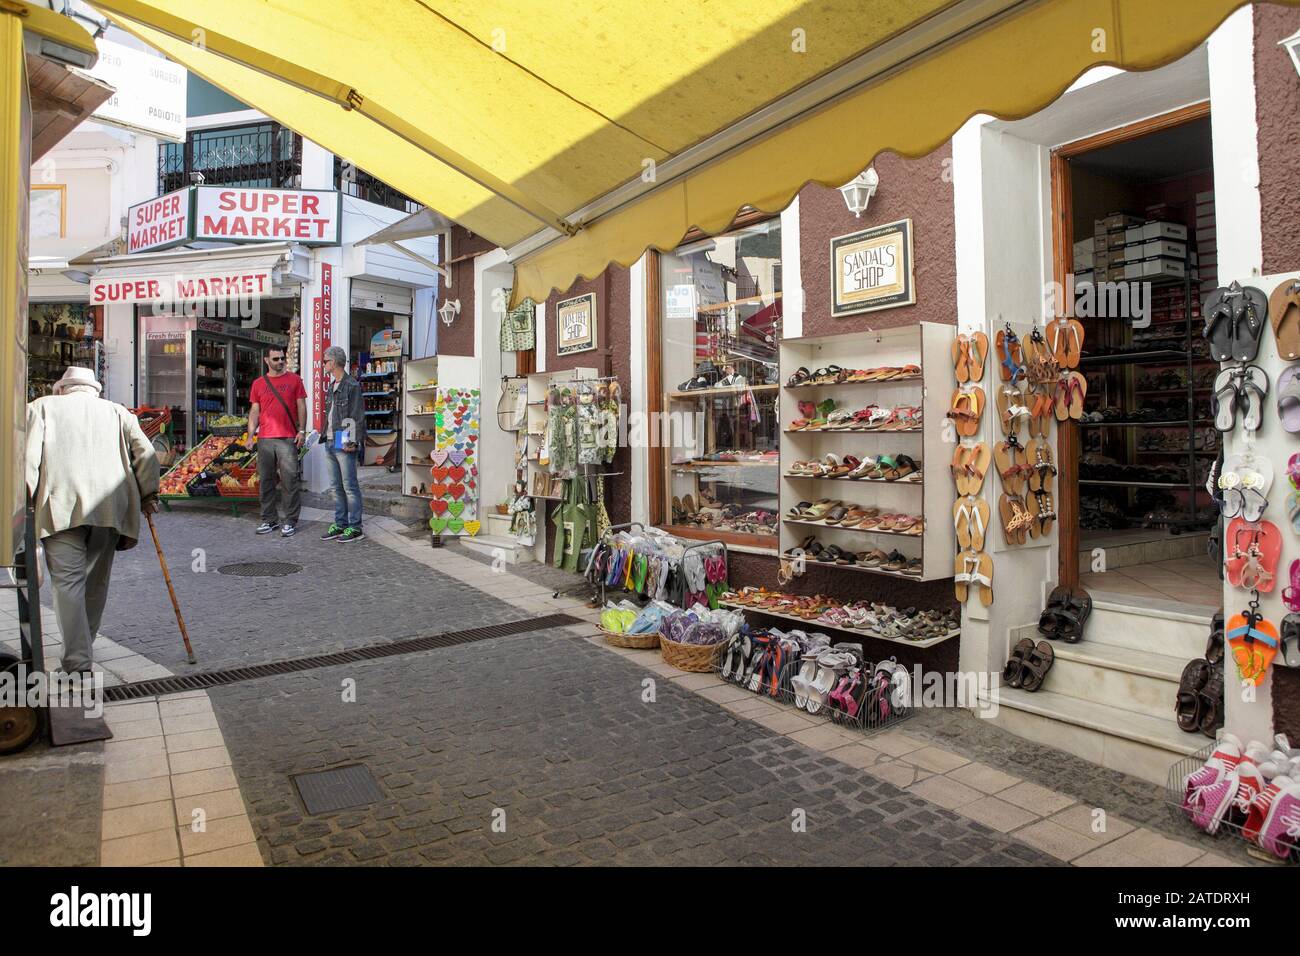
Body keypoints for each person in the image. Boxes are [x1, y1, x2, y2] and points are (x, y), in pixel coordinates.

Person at [24, 367, 159, 674]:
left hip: (60, 507)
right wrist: (150, 494)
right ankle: (84, 648)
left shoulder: (42, 407)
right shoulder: (117, 412)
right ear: (95, 390)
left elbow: (28, 462)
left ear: (63, 388)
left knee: (67, 585)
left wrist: (23, 505)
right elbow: (147, 455)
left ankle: (78, 662)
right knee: (95, 585)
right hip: (110, 510)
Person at [247, 345, 306, 537]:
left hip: (287, 437)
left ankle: (290, 521)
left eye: (282, 358)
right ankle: (269, 520)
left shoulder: (295, 380)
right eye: (275, 359)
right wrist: (250, 436)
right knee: (266, 481)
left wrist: (302, 430)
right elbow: (255, 411)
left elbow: (301, 406)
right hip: (265, 438)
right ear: (266, 360)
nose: (280, 362)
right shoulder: (258, 384)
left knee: (290, 481)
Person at [321, 345, 365, 542]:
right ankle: (340, 523)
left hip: (343, 439)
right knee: (335, 486)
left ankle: (355, 527)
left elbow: (356, 416)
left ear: (335, 362)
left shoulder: (352, 385)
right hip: (330, 439)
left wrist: (351, 441)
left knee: (349, 485)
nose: (323, 364)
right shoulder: (332, 386)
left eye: (325, 361)